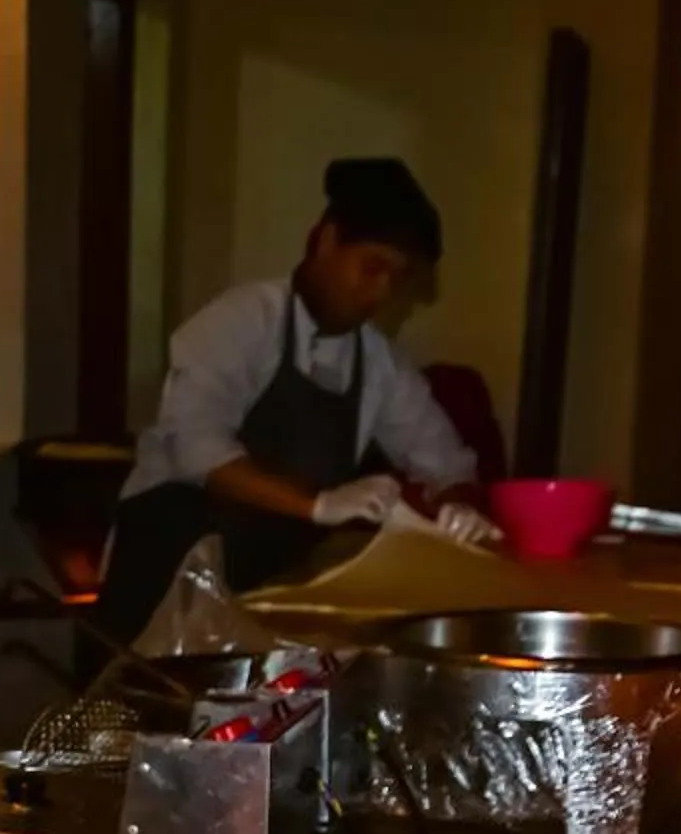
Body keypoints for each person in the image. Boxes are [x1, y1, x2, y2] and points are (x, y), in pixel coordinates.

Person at [93, 157, 495, 646]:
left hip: (261, 595)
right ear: (326, 241)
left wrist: (459, 506)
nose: (382, 292)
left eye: (398, 278)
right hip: (163, 578)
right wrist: (317, 505)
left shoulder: (379, 364)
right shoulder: (240, 320)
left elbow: (448, 463)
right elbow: (196, 448)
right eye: (373, 267)